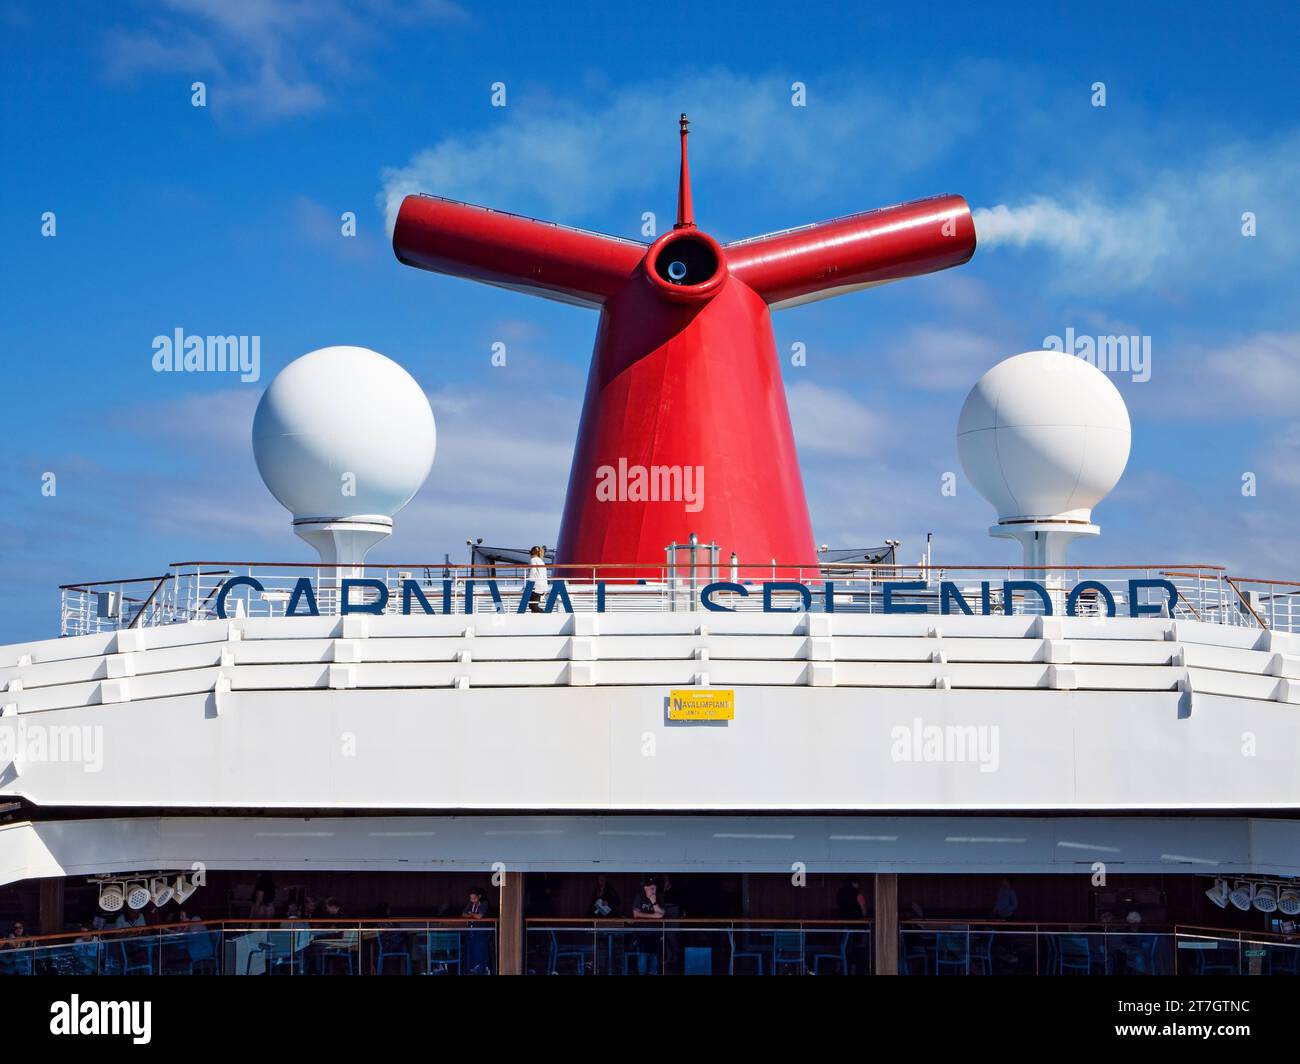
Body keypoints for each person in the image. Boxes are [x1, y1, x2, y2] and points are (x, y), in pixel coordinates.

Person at [630, 878, 665, 974]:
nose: (654, 891)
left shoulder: (659, 897)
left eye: (655, 888)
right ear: (645, 888)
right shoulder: (640, 896)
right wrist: (653, 916)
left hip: (655, 931)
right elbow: (636, 914)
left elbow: (661, 914)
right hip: (642, 931)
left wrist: (653, 902)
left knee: (654, 956)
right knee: (644, 955)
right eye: (651, 888)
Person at [462, 887, 493, 974]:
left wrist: (471, 914)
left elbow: (479, 917)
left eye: (474, 898)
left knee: (480, 951)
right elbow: (463, 914)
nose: (473, 900)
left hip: (481, 931)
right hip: (471, 931)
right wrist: (473, 915)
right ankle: (470, 970)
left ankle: (482, 970)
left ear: (479, 896)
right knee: (470, 951)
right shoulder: (470, 903)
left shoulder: (484, 903)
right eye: (471, 898)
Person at [526, 546, 549, 613]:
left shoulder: (533, 560)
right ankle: (536, 620)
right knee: (534, 606)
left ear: (532, 553)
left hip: (536, 586)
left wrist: (528, 584)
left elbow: (533, 572)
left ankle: (545, 615)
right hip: (543, 586)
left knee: (532, 606)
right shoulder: (541, 561)